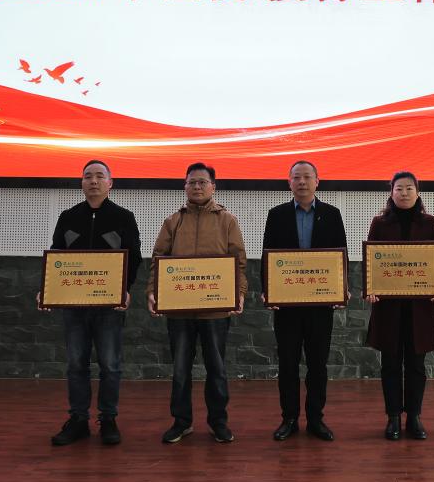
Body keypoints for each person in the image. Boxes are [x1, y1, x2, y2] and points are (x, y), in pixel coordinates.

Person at [39, 159, 141, 446]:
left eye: (99, 176)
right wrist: (46, 289)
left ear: (110, 183)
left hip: (109, 306)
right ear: (81, 183)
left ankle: (108, 419)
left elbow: (133, 257)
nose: (93, 181)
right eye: (87, 176)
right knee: (76, 364)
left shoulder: (123, 217)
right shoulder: (68, 217)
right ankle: (78, 420)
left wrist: (125, 289)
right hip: (74, 305)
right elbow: (57, 256)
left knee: (110, 364)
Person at [146, 162, 247, 444]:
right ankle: (181, 422)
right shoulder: (173, 221)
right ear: (185, 186)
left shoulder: (227, 221)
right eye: (192, 182)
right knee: (180, 370)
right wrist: (152, 291)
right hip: (179, 310)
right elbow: (158, 259)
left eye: (203, 182)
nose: (197, 187)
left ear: (213, 186)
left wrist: (239, 293)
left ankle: (218, 422)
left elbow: (239, 262)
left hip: (215, 310)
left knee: (217, 369)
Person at [262, 161, 348, 441]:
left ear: (317, 181)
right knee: (287, 364)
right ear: (289, 182)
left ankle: (315, 419)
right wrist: (267, 290)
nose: (302, 182)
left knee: (317, 364)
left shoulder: (332, 214)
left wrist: (341, 288)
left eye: (307, 177)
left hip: (320, 303)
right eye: (296, 177)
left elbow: (341, 254)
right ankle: (289, 418)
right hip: (286, 303)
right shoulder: (276, 215)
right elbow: (267, 254)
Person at [364, 171, 434, 441]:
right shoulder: (380, 223)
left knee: (416, 365)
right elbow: (371, 262)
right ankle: (393, 417)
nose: (404, 193)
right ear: (391, 192)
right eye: (399, 188)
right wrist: (371, 288)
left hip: (419, 307)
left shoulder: (429, 222)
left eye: (409, 188)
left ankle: (415, 416)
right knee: (390, 364)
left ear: (418, 193)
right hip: (388, 307)